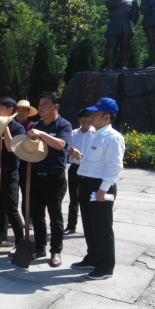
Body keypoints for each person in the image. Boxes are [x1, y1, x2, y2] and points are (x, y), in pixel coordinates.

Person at [72, 98, 125, 280]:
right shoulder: (96, 134)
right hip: (88, 184)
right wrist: (82, 182)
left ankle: (105, 267)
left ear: (107, 117)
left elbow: (115, 166)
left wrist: (103, 189)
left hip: (101, 186)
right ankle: (92, 257)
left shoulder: (113, 137)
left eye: (95, 113)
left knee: (102, 228)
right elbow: (91, 162)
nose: (91, 116)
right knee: (89, 225)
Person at [27, 92, 72, 267]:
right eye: (39, 103)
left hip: (55, 178)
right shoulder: (35, 124)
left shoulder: (63, 124)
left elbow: (61, 144)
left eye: (45, 103)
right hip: (36, 176)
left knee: (55, 216)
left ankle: (56, 251)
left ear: (55, 106)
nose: (40, 107)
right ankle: (40, 247)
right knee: (37, 216)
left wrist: (41, 134)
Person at [0, 97, 26, 252]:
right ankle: (1, 236)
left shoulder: (18, 128)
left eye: (0, 107)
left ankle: (20, 241)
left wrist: (5, 128)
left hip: (10, 172)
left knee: (11, 208)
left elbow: (11, 148)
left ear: (10, 110)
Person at [65, 109, 95, 235]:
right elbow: (65, 149)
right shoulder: (73, 133)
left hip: (90, 170)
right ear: (79, 120)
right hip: (75, 168)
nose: (86, 125)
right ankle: (71, 226)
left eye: (88, 122)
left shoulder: (96, 134)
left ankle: (92, 227)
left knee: (90, 199)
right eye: (83, 122)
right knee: (73, 199)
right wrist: (70, 152)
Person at [103, 0, 139, 71]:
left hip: (126, 24)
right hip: (114, 23)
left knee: (125, 45)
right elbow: (107, 4)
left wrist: (130, 24)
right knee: (111, 44)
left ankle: (123, 66)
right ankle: (110, 66)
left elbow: (135, 15)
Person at [15, 100, 38, 228]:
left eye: (23, 110)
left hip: (26, 164)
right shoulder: (10, 125)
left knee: (27, 192)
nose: (20, 112)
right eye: (18, 109)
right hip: (13, 163)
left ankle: (29, 218)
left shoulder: (33, 126)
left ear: (28, 112)